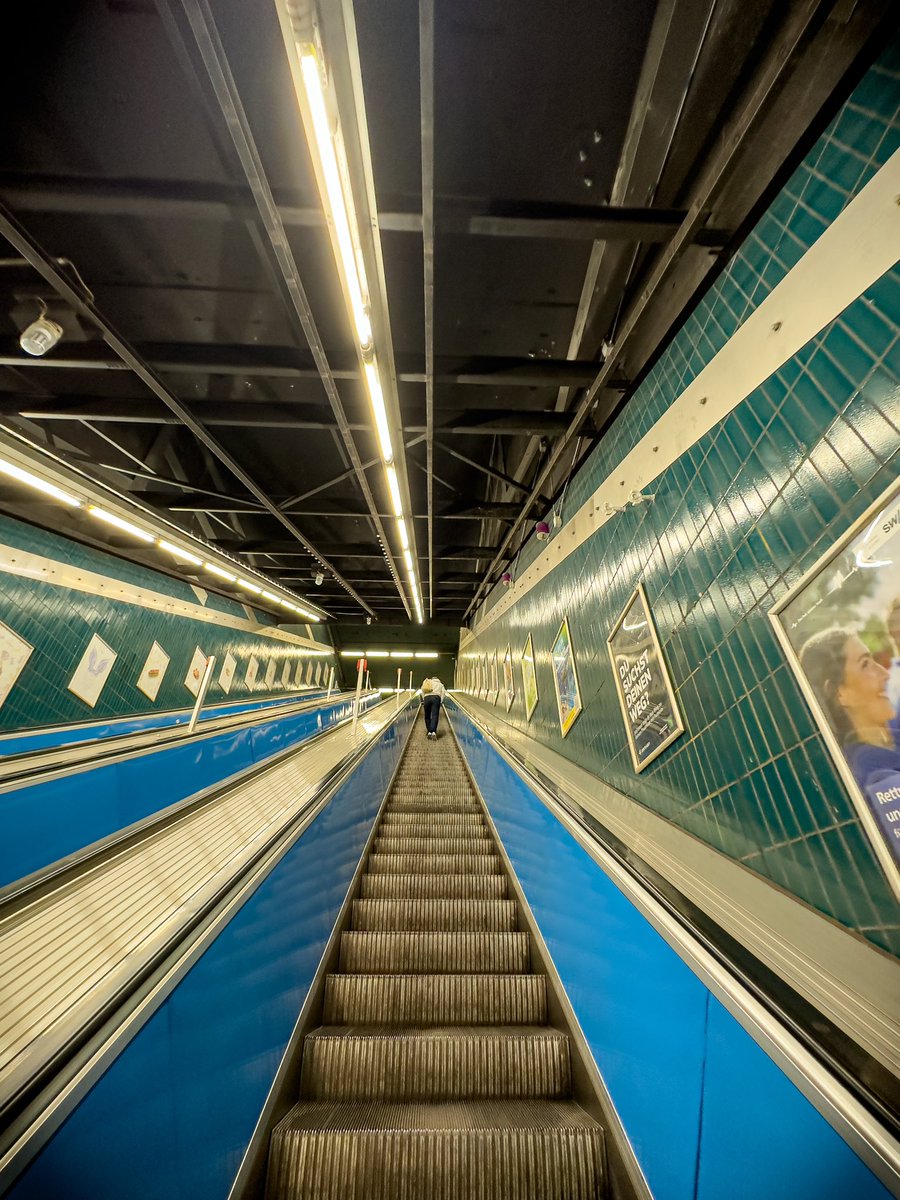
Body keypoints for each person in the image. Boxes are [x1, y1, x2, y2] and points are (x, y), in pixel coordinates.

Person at [800, 627, 900, 861]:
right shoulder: (875, 777)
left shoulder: (891, 736)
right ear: (839, 693)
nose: (884, 674)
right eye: (865, 664)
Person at [419, 676, 445, 740]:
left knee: (427, 715)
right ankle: (433, 732)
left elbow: (422, 690)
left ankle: (429, 731)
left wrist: (424, 698)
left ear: (432, 679)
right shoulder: (440, 684)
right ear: (438, 679)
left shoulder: (428, 682)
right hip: (436, 698)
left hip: (427, 698)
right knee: (435, 715)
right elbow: (443, 693)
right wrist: (440, 701)